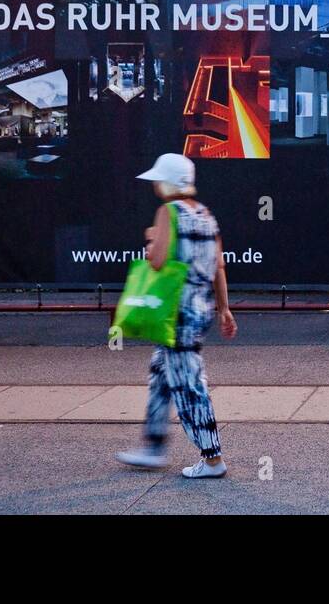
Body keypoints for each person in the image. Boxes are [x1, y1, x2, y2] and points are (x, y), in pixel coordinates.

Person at [115, 153, 237, 478]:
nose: (155, 184)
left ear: (168, 182)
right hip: (200, 309)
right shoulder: (207, 216)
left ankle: (212, 456)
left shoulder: (168, 212)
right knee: (161, 371)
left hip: (176, 311)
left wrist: (152, 240)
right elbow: (219, 267)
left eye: (158, 179)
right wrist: (225, 309)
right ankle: (153, 445)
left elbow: (155, 262)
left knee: (187, 383)